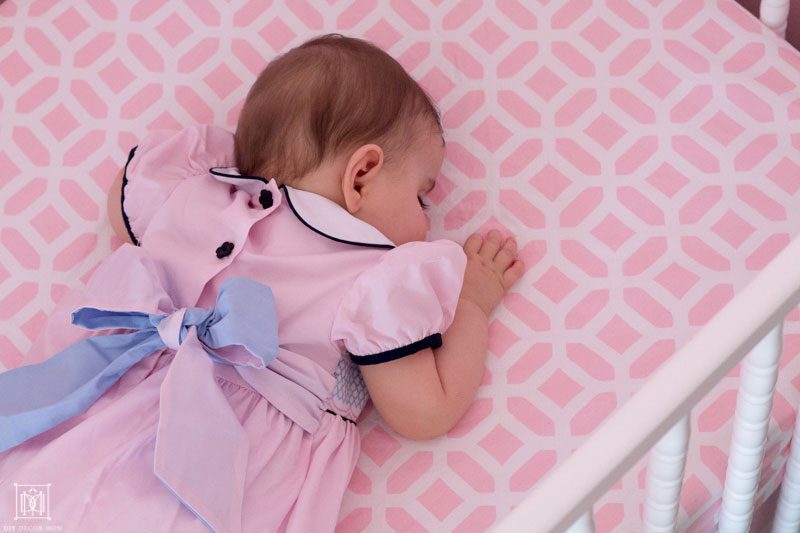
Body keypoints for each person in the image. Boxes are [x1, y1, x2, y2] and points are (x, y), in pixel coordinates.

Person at [0, 33, 524, 532]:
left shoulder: (196, 190)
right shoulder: (372, 275)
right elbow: (425, 410)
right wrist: (473, 305)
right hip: (225, 462)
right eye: (421, 196)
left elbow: (121, 206)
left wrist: (250, 159)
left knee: (33, 498)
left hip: (109, 391)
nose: (427, 221)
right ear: (361, 174)